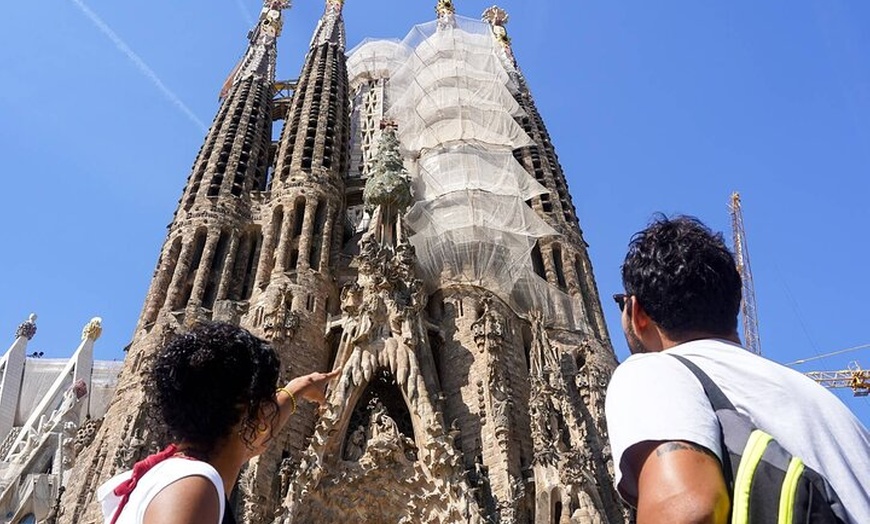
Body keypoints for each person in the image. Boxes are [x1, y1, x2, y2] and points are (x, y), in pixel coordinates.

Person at [605, 215, 870, 523]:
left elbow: (687, 508)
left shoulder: (654, 372)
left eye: (621, 303)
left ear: (638, 313)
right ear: (735, 301)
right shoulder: (827, 408)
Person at [97, 322, 339, 524]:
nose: (270, 410)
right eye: (267, 399)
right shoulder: (192, 486)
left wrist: (298, 389)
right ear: (249, 410)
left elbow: (254, 433)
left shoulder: (173, 473)